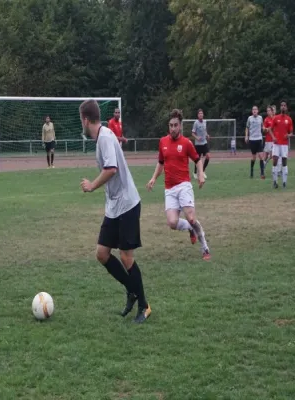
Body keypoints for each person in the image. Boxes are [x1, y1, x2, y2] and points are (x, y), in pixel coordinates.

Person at [79, 99, 151, 324]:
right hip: (114, 206)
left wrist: (92, 185)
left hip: (127, 204)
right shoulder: (102, 137)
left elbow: (111, 169)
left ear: (85, 119)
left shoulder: (106, 138)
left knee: (126, 257)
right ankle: (131, 290)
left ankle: (144, 306)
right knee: (102, 253)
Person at [146, 109, 211, 261]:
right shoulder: (163, 142)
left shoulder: (186, 143)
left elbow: (197, 160)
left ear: (180, 126)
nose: (173, 128)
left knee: (191, 217)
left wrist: (200, 174)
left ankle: (205, 247)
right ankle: (190, 229)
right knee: (172, 222)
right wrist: (153, 178)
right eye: (171, 125)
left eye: (176, 125)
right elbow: (161, 163)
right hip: (169, 188)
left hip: (184, 186)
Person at [269, 101, 293, 189]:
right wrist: (273, 137)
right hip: (276, 143)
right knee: (275, 160)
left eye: (284, 105)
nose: (283, 107)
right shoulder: (276, 118)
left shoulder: (289, 119)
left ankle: (284, 182)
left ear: (286, 108)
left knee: (284, 162)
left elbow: (291, 133)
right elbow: (270, 129)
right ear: (280, 107)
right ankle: (275, 182)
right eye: (282, 105)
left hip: (284, 144)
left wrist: (288, 135)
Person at [245, 105, 265, 179]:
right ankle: (251, 171)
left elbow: (262, 127)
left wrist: (264, 129)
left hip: (259, 139)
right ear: (252, 111)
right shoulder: (249, 118)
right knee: (253, 157)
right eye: (253, 109)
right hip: (252, 140)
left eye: (256, 109)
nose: (254, 111)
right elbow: (247, 128)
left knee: (261, 156)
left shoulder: (260, 118)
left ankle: (262, 173)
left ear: (258, 111)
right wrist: (246, 136)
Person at [191, 109, 210, 179]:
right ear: (197, 115)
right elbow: (192, 133)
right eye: (199, 113)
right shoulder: (196, 123)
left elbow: (205, 131)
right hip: (198, 144)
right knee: (197, 159)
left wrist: (207, 135)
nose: (201, 114)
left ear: (203, 114)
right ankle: (195, 172)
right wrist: (196, 137)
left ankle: (203, 171)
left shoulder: (205, 122)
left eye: (201, 113)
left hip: (204, 142)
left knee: (208, 156)